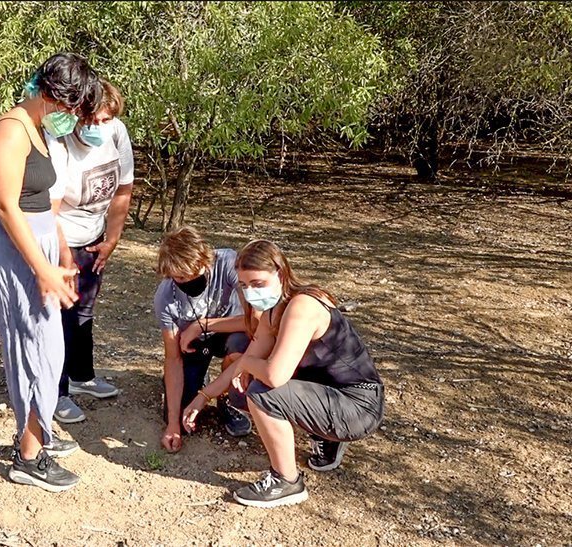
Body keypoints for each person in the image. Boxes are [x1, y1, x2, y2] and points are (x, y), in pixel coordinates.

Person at [182, 239, 384, 508]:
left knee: (262, 392)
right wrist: (202, 397)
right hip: (329, 393)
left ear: (280, 272)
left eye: (258, 283)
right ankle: (326, 435)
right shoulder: (273, 312)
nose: (250, 292)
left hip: (359, 406)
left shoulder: (303, 306)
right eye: (244, 285)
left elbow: (274, 376)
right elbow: (248, 360)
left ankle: (287, 481)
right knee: (242, 391)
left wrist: (245, 364)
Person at [0, 53, 101, 493]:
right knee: (36, 354)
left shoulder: (37, 128)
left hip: (41, 248)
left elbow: (44, 203)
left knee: (48, 350)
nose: (75, 118)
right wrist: (41, 268)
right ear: (53, 96)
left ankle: (36, 431)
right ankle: (28, 459)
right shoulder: (10, 131)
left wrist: (62, 255)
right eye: (74, 108)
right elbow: (6, 207)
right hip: (18, 254)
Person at [46, 79, 134, 423]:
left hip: (94, 237)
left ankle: (81, 376)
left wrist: (112, 239)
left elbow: (123, 190)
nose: (98, 127)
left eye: (105, 120)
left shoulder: (116, 133)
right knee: (59, 317)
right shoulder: (60, 141)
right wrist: (64, 257)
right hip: (61, 238)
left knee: (84, 312)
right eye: (91, 119)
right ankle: (55, 392)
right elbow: (49, 210)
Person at [153, 227, 255, 453]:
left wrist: (202, 325)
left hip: (231, 329)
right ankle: (197, 380)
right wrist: (172, 424)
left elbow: (254, 323)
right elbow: (173, 358)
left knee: (243, 346)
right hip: (193, 344)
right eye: (179, 277)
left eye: (193, 273)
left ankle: (226, 397)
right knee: (180, 416)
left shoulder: (227, 262)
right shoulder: (165, 298)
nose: (187, 281)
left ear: (205, 261)